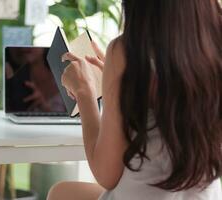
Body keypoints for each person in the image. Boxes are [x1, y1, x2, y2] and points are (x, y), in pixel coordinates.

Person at [47, 0, 222, 199]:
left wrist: (84, 93)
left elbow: (106, 175)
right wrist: (121, 86)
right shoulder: (214, 45)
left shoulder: (125, 51)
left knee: (60, 193)